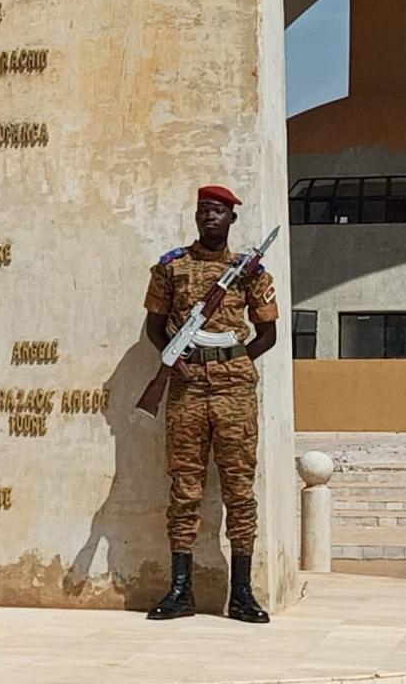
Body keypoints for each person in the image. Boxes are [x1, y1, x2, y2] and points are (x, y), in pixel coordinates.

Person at [142, 186, 278, 623]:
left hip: (234, 391)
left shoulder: (250, 273)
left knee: (239, 489)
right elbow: (155, 327)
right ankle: (180, 590)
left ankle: (242, 593)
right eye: (204, 210)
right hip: (187, 390)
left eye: (218, 211)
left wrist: (233, 360)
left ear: (231, 218)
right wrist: (175, 360)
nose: (210, 217)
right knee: (185, 487)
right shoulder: (172, 267)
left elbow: (268, 334)